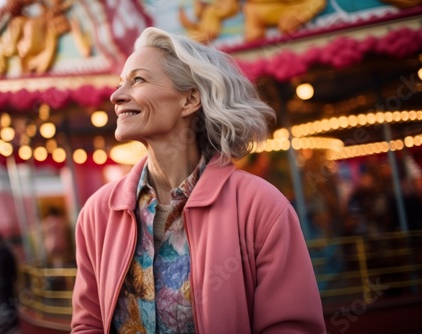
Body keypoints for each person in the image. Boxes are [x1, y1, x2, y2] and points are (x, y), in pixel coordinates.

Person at [71, 27, 325, 333]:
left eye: (137, 79)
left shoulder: (261, 207)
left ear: (190, 100)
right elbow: (88, 323)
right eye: (121, 82)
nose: (116, 95)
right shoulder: (97, 214)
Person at [0, 232, 18, 330]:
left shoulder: (5, 251)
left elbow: (11, 266)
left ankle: (13, 321)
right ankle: (11, 320)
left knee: (9, 301)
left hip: (7, 281)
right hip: (4, 281)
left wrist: (13, 278)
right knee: (6, 302)